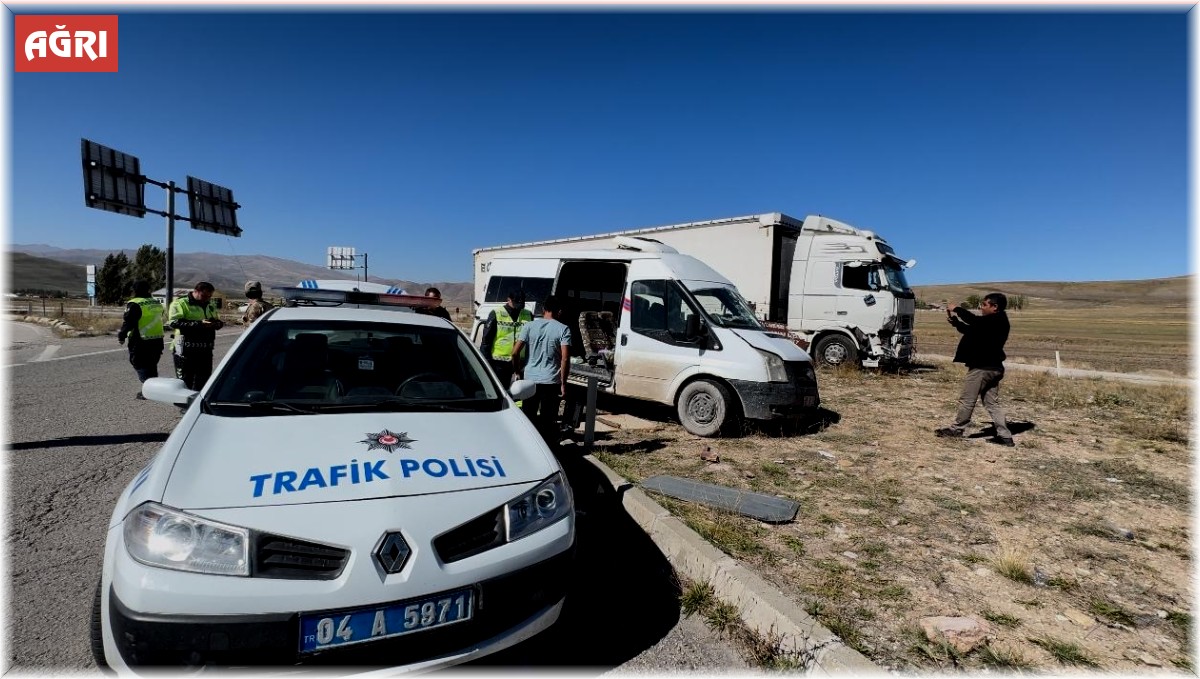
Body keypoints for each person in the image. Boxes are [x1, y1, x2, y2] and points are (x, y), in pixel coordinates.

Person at [935, 292, 1014, 446]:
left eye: (985, 304)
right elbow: (971, 330)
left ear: (995, 307)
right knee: (992, 403)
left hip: (982, 368)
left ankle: (957, 429)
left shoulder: (996, 320)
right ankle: (1005, 437)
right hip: (994, 367)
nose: (981, 307)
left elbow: (973, 321)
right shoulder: (994, 321)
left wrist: (957, 308)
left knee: (967, 400)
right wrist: (956, 323)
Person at [512, 295, 572, 446]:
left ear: (543, 309)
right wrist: (563, 383)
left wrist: (518, 371)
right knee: (548, 419)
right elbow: (565, 358)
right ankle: (547, 449)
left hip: (530, 379)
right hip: (551, 380)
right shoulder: (563, 329)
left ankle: (527, 445)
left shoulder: (529, 326)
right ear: (559, 311)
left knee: (528, 416)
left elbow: (514, 352)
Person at [168, 281, 224, 391]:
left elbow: (215, 320)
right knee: (185, 381)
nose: (207, 299)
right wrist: (199, 324)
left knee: (203, 380)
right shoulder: (180, 303)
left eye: (209, 296)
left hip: (205, 349)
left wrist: (217, 324)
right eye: (204, 296)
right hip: (185, 349)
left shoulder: (209, 305)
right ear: (196, 291)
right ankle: (185, 406)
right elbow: (174, 323)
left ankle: (197, 404)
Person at [117, 280, 165, 399]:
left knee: (139, 363)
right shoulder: (156, 303)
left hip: (141, 340)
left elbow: (129, 322)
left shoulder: (134, 303)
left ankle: (149, 391)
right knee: (152, 364)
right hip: (157, 338)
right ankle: (155, 388)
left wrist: (121, 335)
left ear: (134, 291)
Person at [478, 289, 532, 386]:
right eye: (516, 302)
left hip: (521, 363)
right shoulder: (496, 313)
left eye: (522, 303)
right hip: (499, 363)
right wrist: (486, 363)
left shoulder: (528, 314)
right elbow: (486, 341)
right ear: (509, 299)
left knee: (520, 393)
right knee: (501, 393)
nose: (519, 306)